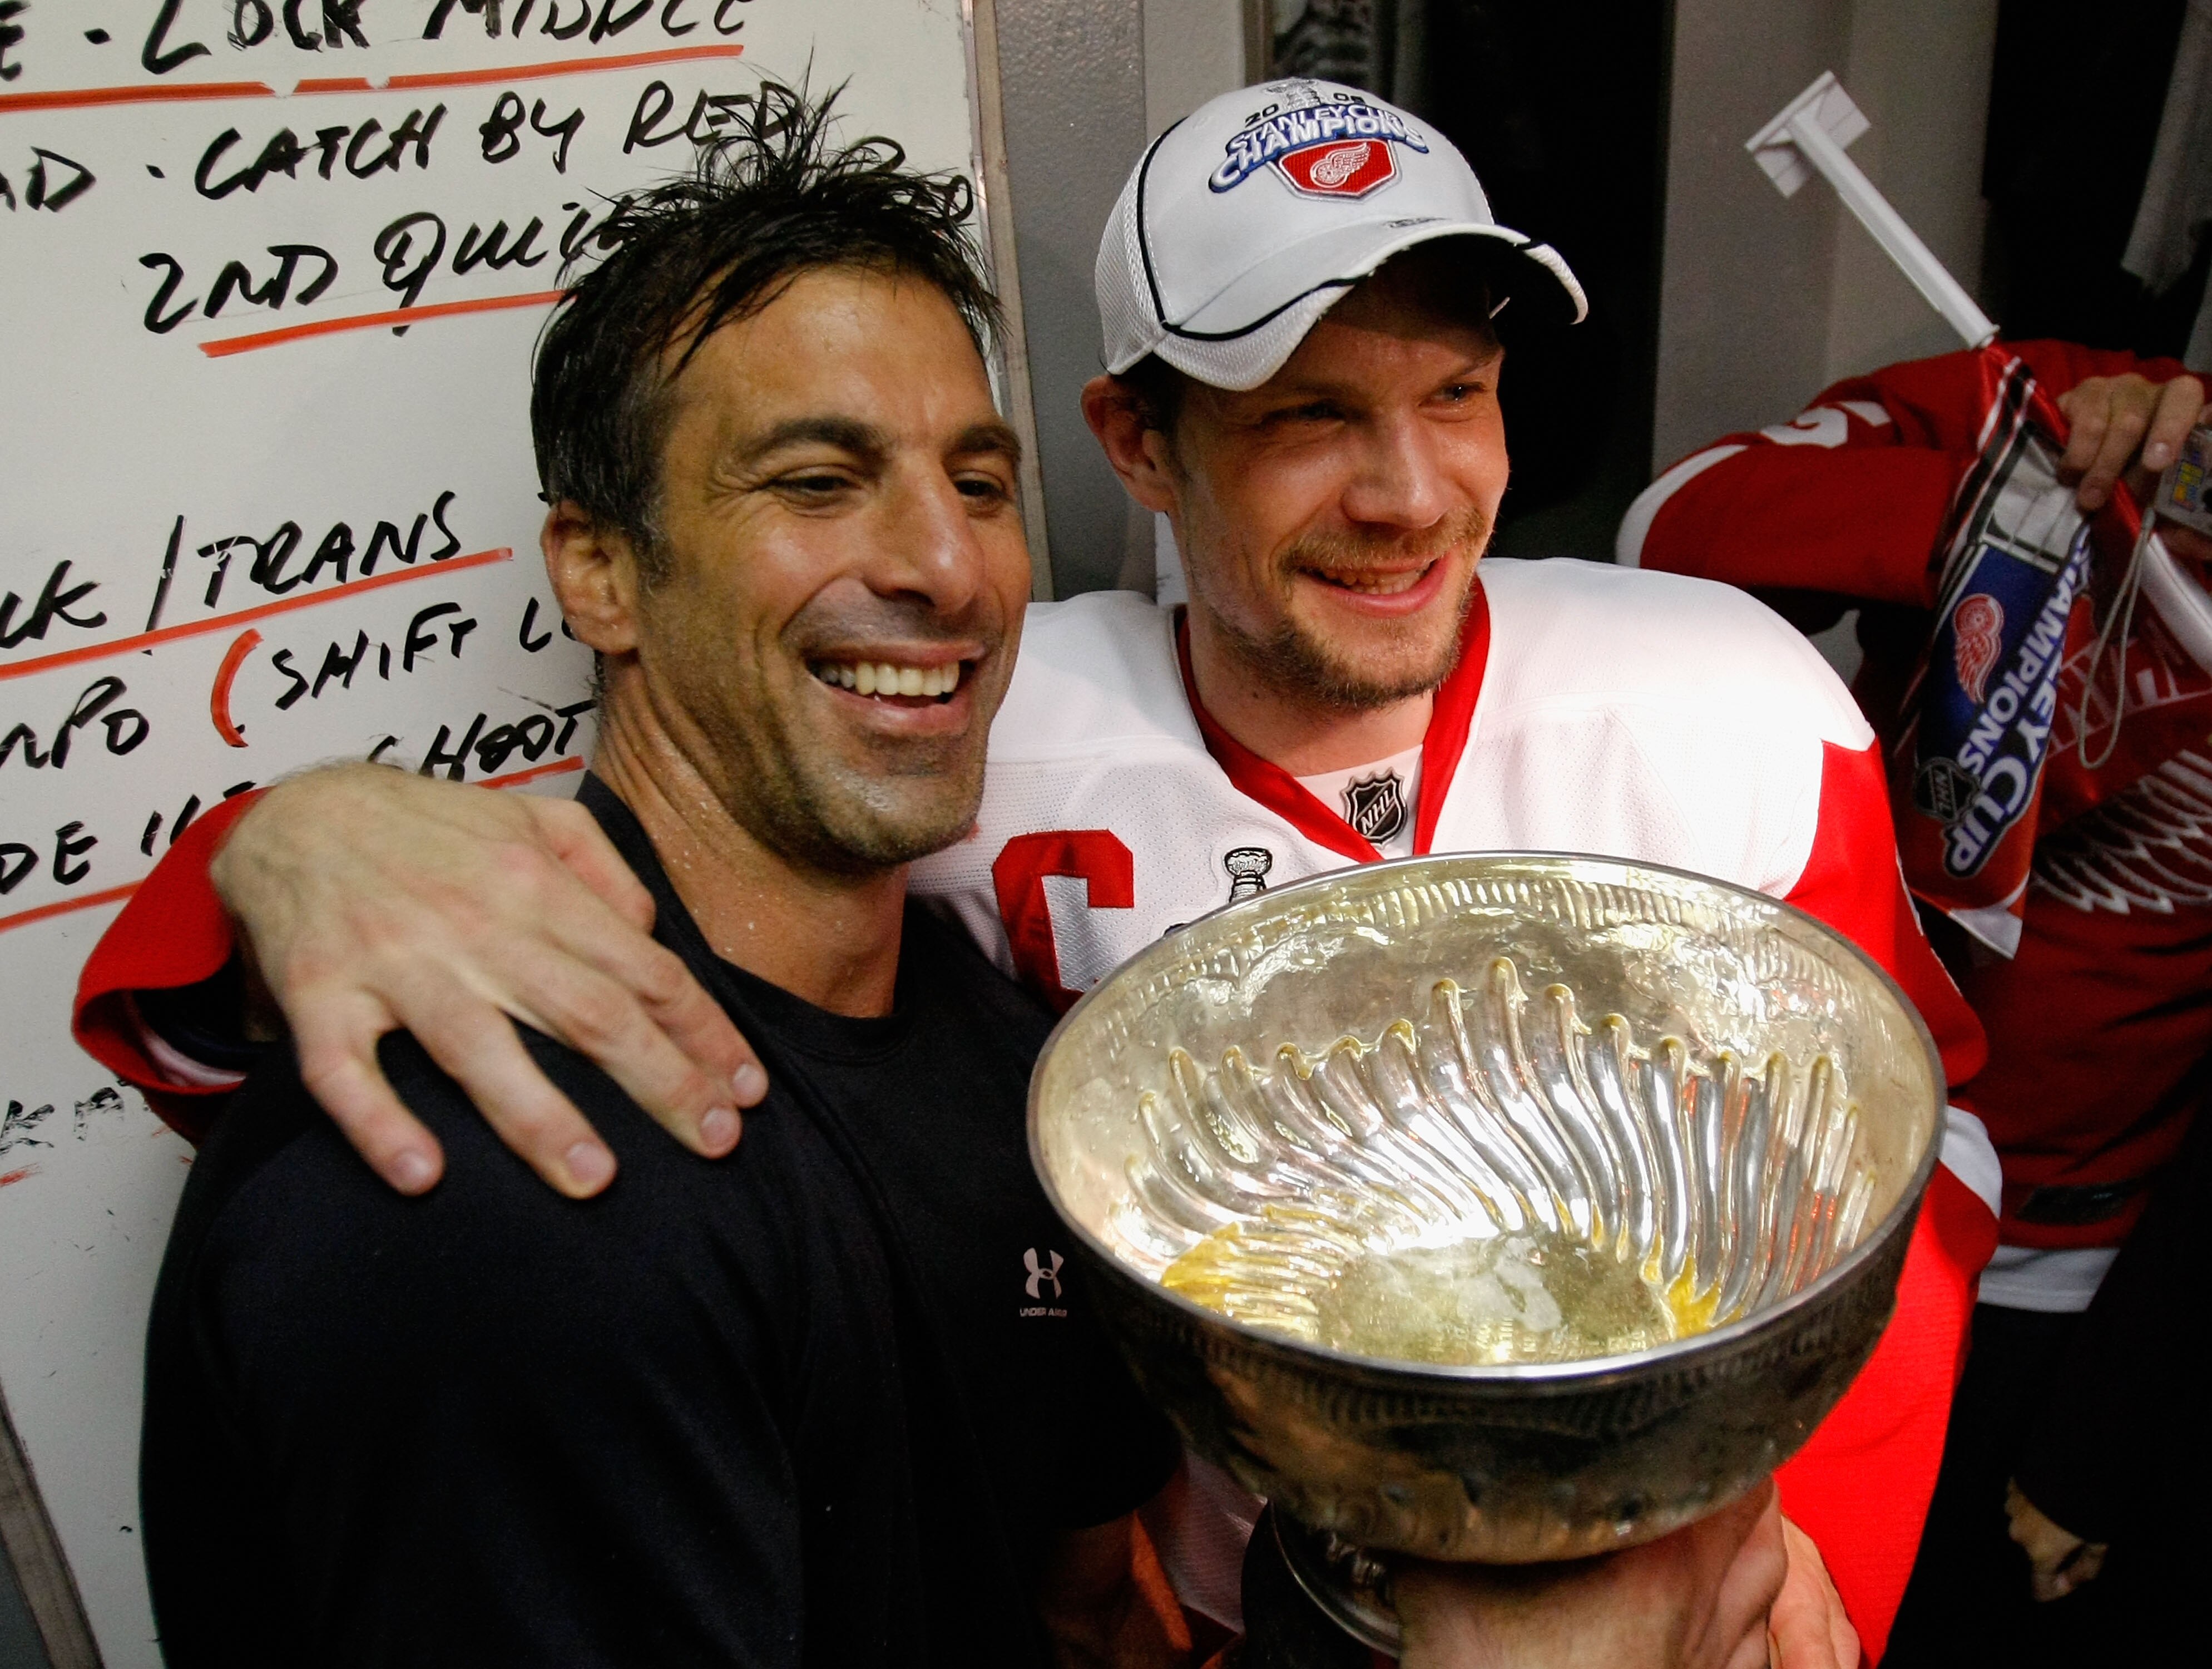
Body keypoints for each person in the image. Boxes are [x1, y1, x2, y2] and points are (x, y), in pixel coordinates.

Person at [83, 79, 1980, 1663]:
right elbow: (409, 940)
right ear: (1139, 443)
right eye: (1307, 413)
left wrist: (1790, 1566)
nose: (1405, 491)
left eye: (1456, 395)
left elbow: (1892, 1174)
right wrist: (284, 841)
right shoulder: (926, 802)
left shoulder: (1718, 700)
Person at [135, 95, 1198, 1669]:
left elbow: (1083, 1608)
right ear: (602, 571)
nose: (947, 566)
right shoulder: (504, 1174)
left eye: (978, 484)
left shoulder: (1006, 1063)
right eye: (817, 483)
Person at [1620, 338, 2209, 1663]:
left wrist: (2106, 1428)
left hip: (2096, 1267)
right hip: (1826, 1191)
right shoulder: (2037, 396)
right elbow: (1671, 528)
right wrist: (2016, 497)